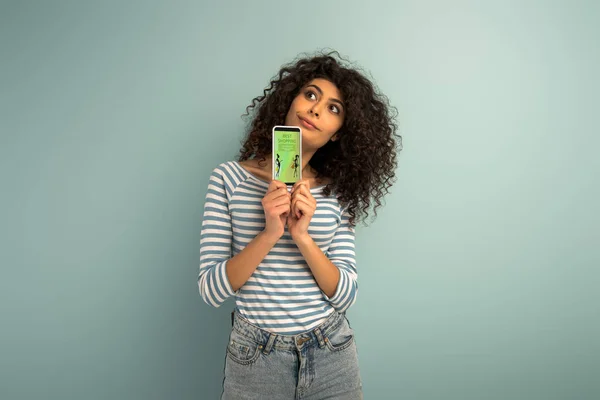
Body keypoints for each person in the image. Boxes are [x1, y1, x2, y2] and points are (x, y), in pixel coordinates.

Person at [198, 51, 401, 399]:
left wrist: (303, 237)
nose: (317, 109)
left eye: (334, 108)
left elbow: (346, 295)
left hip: (330, 351)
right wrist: (269, 233)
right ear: (290, 102)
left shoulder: (337, 193)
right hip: (255, 357)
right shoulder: (228, 179)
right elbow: (211, 290)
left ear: (338, 134)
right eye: (310, 94)